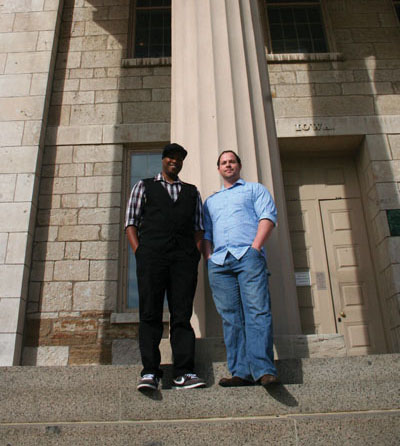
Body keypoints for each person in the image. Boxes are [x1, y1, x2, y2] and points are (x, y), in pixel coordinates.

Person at [125, 143, 206, 391]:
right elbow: (131, 223)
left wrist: (195, 254)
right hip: (151, 258)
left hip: (183, 261)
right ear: (163, 160)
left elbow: (199, 227)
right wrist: (140, 252)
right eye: (170, 157)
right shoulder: (144, 186)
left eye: (179, 158)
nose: (174, 161)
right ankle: (150, 372)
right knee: (150, 314)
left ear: (182, 163)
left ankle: (184, 372)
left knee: (181, 315)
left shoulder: (192, 192)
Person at [203, 150, 279, 387]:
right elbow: (206, 232)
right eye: (224, 163)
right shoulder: (211, 201)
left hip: (248, 256)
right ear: (218, 169)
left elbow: (268, 216)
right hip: (219, 263)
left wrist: (255, 248)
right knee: (230, 318)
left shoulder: (255, 189)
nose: (228, 165)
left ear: (239, 165)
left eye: (232, 161)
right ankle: (240, 372)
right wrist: (208, 256)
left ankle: (263, 370)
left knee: (257, 311)